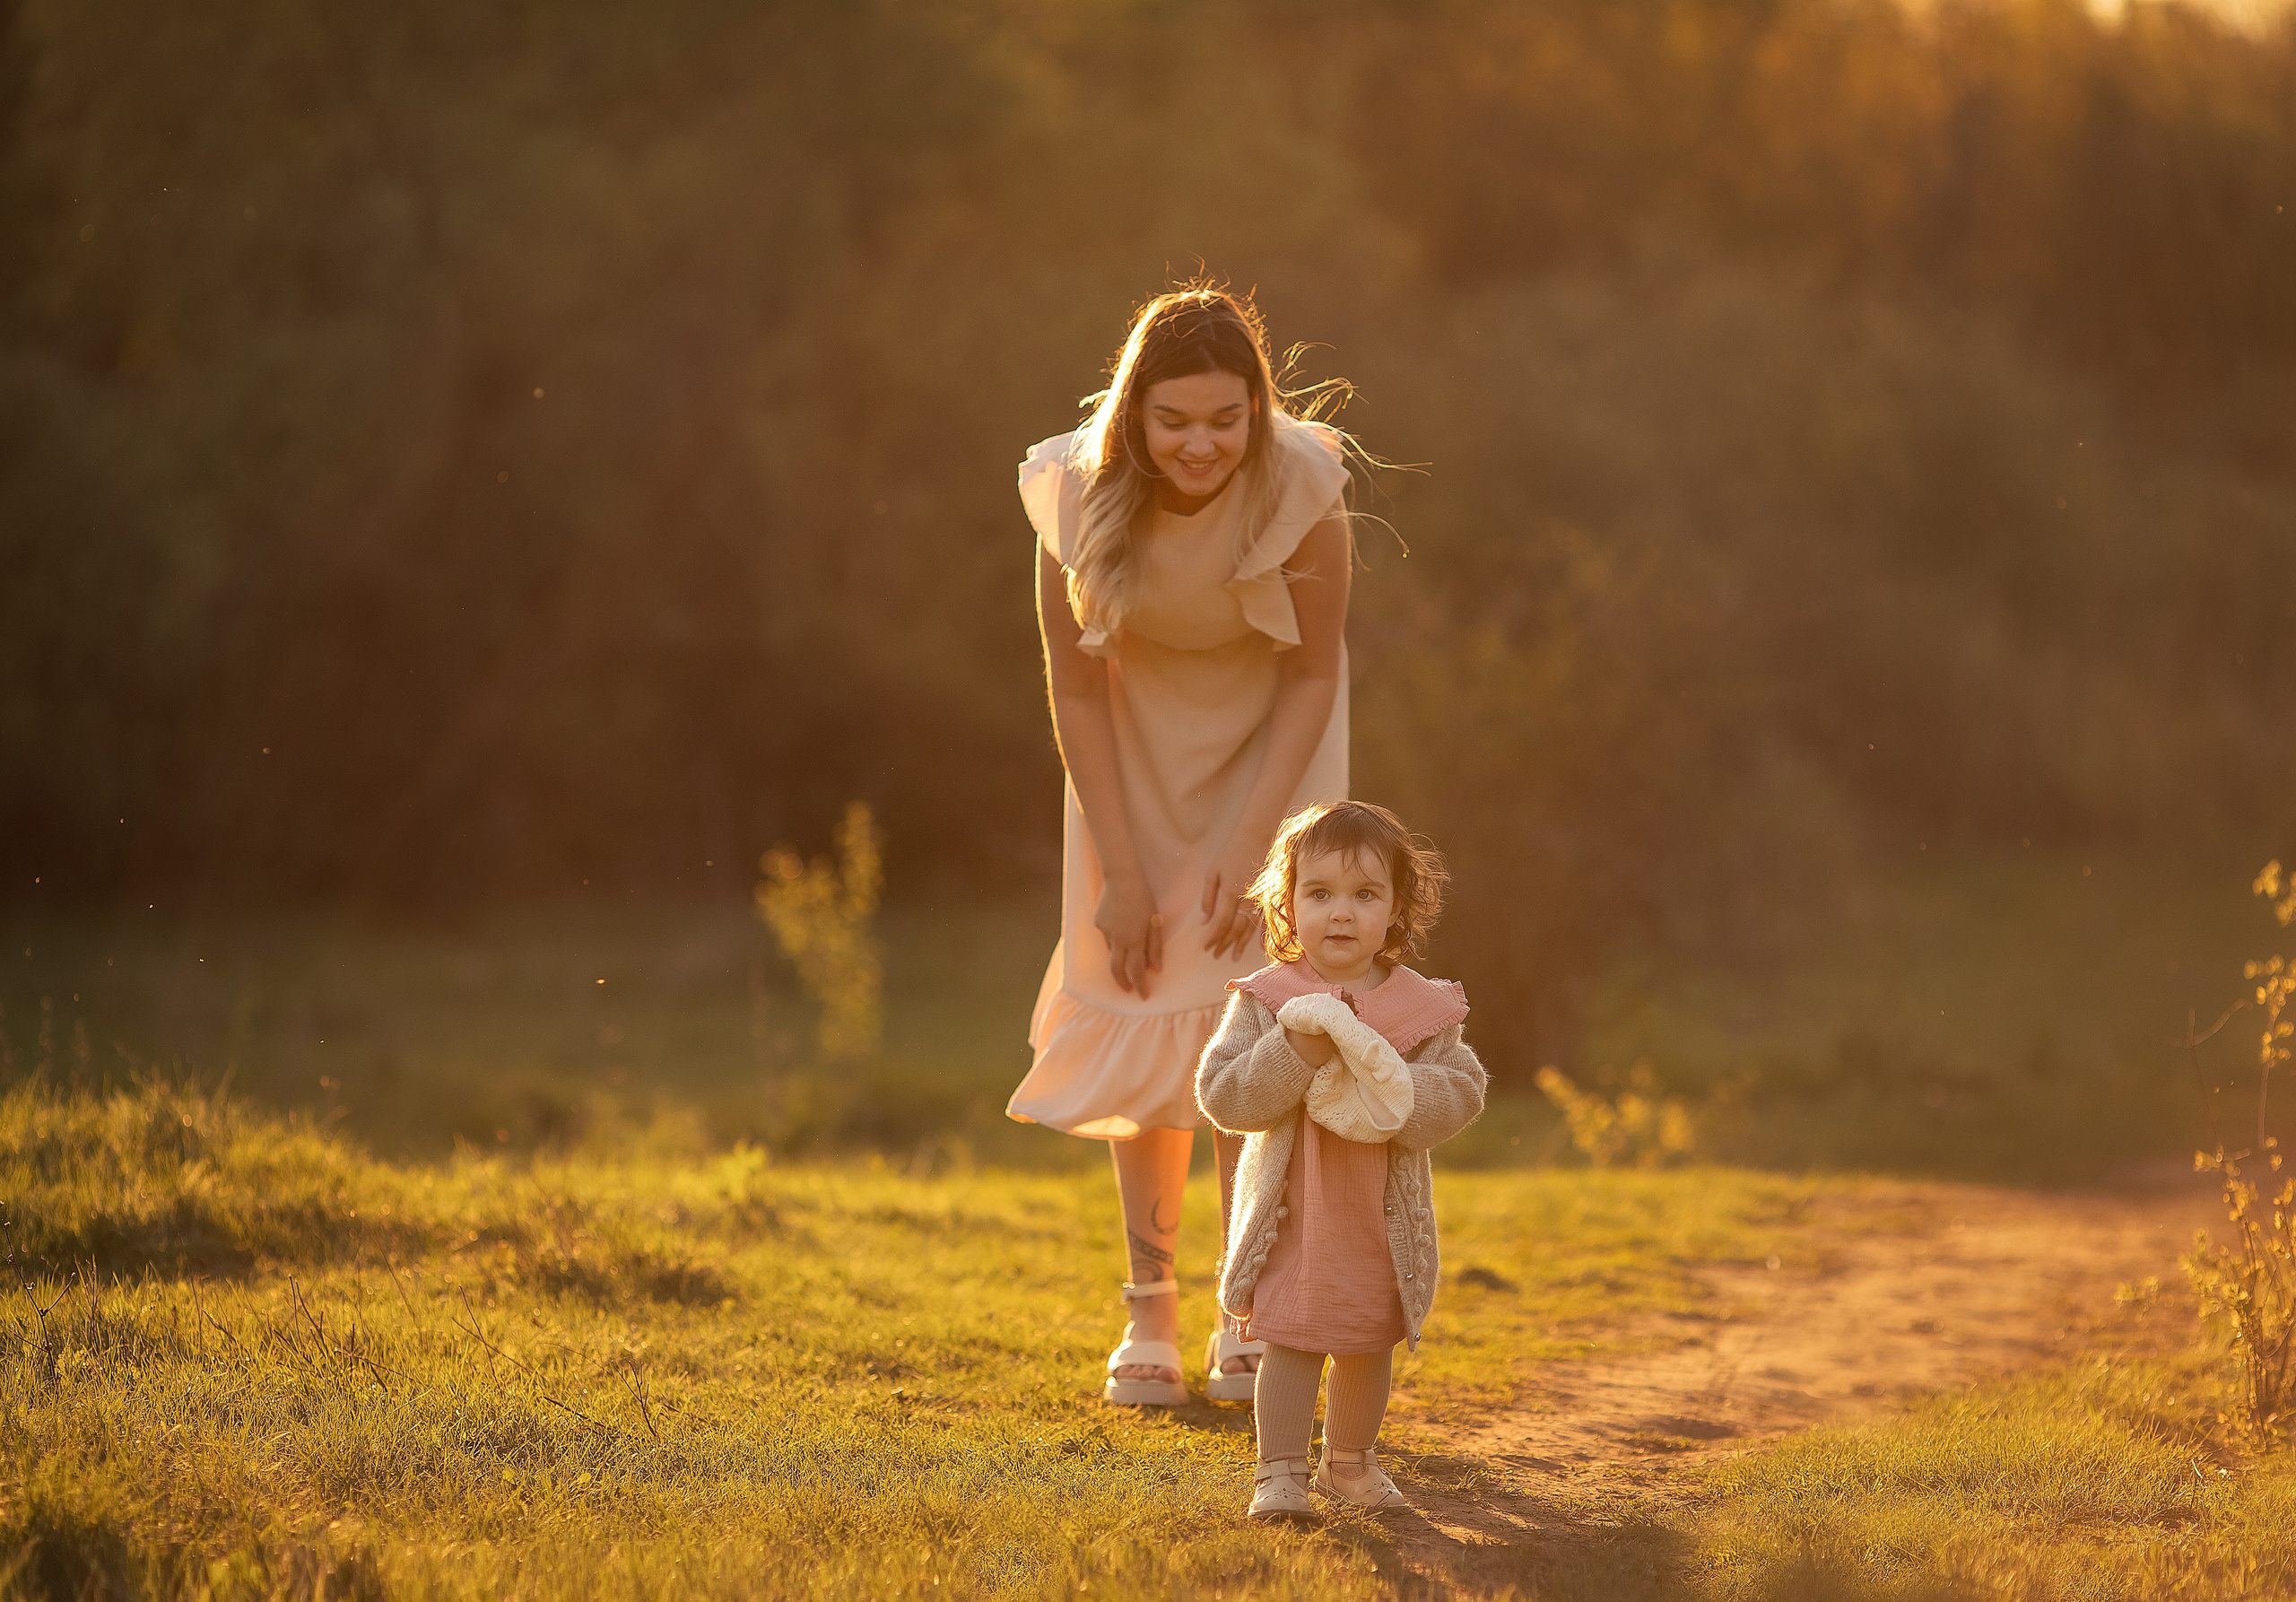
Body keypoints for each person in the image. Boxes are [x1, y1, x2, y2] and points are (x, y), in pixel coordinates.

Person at [1005, 283, 1361, 1406]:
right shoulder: (1073, 493)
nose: (1201, 443)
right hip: (1130, 768)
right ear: (1132, 416)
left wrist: (1256, 853)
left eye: (1226, 417)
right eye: (1174, 421)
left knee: (1242, 1029)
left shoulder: (1307, 491)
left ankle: (1243, 1309)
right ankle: (1148, 1314)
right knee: (1146, 999)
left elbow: (1311, 673)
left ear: (1258, 407)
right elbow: (1074, 688)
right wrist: (1121, 868)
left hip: (1269, 764)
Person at [1196, 800, 1486, 1519]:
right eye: (1319, 894)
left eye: (1365, 895)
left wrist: (1392, 1088)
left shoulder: (1420, 1008)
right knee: (1291, 1335)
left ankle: (1350, 1464)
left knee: (1365, 1337)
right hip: (1297, 1214)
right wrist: (1293, 1052)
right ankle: (1280, 1471)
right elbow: (1224, 1096)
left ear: (1395, 909)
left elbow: (1462, 1088)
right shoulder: (1269, 1001)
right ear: (1287, 906)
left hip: (1374, 1220)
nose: (1341, 913)